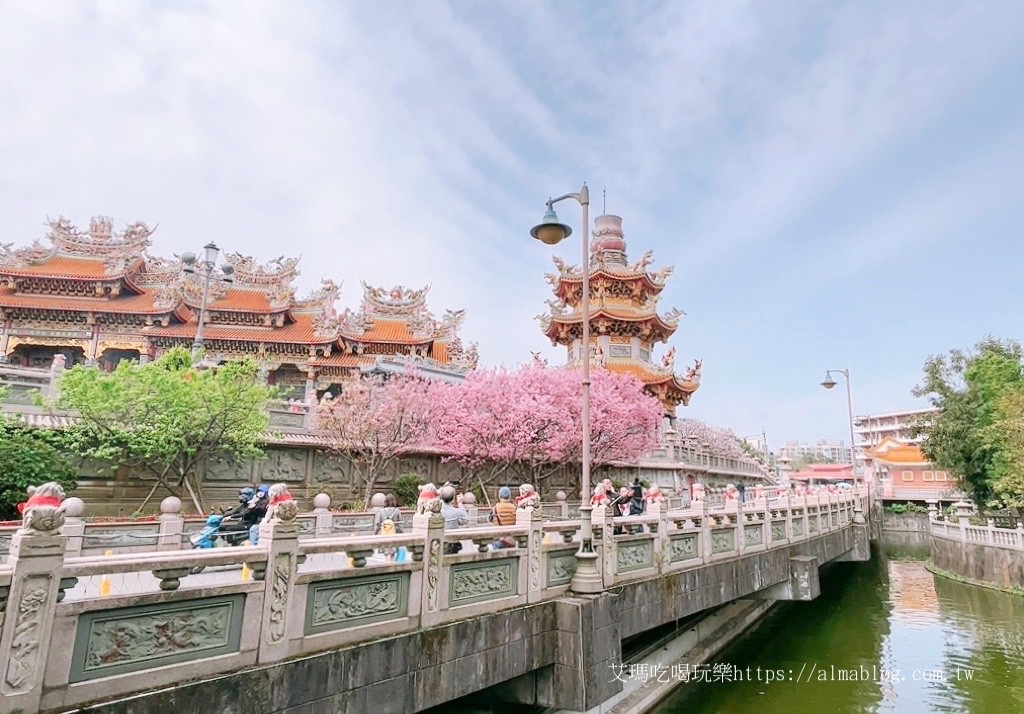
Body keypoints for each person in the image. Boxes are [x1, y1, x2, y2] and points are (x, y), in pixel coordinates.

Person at [439, 485, 469, 554]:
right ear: (453, 499)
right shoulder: (456, 512)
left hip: (436, 543)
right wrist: (460, 503)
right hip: (451, 545)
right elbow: (465, 520)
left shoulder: (434, 511)